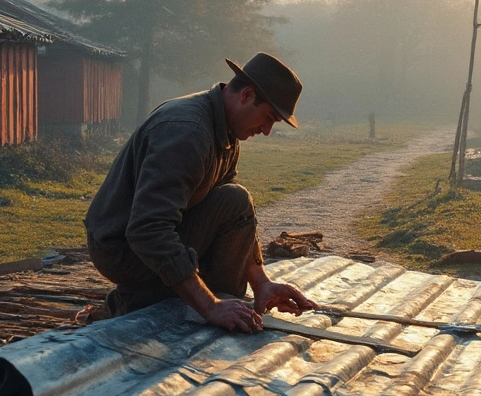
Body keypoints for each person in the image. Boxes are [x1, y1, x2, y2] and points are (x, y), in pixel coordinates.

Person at [84, 53, 318, 332]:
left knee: (236, 199)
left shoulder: (227, 131)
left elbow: (232, 211)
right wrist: (209, 306)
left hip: (152, 234)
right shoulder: (188, 133)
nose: (267, 130)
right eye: (268, 118)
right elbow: (148, 230)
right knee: (210, 294)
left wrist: (261, 282)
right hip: (121, 249)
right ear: (246, 95)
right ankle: (137, 303)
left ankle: (203, 300)